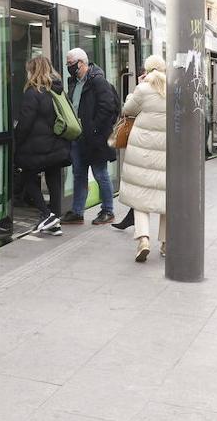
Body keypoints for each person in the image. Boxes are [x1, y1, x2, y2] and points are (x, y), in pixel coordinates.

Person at [116, 56, 168, 262]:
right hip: (166, 149)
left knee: (140, 197)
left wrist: (138, 86)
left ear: (147, 69)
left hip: (142, 150)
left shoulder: (143, 88)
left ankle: (143, 239)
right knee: (166, 197)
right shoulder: (173, 88)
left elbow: (127, 110)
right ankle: (165, 243)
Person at [14, 55, 71, 236]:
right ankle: (55, 222)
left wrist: (17, 142)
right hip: (56, 145)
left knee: (27, 178)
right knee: (53, 181)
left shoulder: (33, 92)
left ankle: (46, 214)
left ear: (33, 70)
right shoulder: (57, 90)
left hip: (38, 147)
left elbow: (25, 124)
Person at [60, 48, 119, 225]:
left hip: (95, 138)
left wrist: (94, 128)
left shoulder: (97, 81)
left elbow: (108, 107)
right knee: (79, 174)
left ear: (82, 63)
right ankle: (78, 212)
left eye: (71, 64)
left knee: (100, 174)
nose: (69, 67)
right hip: (78, 137)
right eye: (67, 64)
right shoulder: (74, 82)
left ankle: (108, 210)